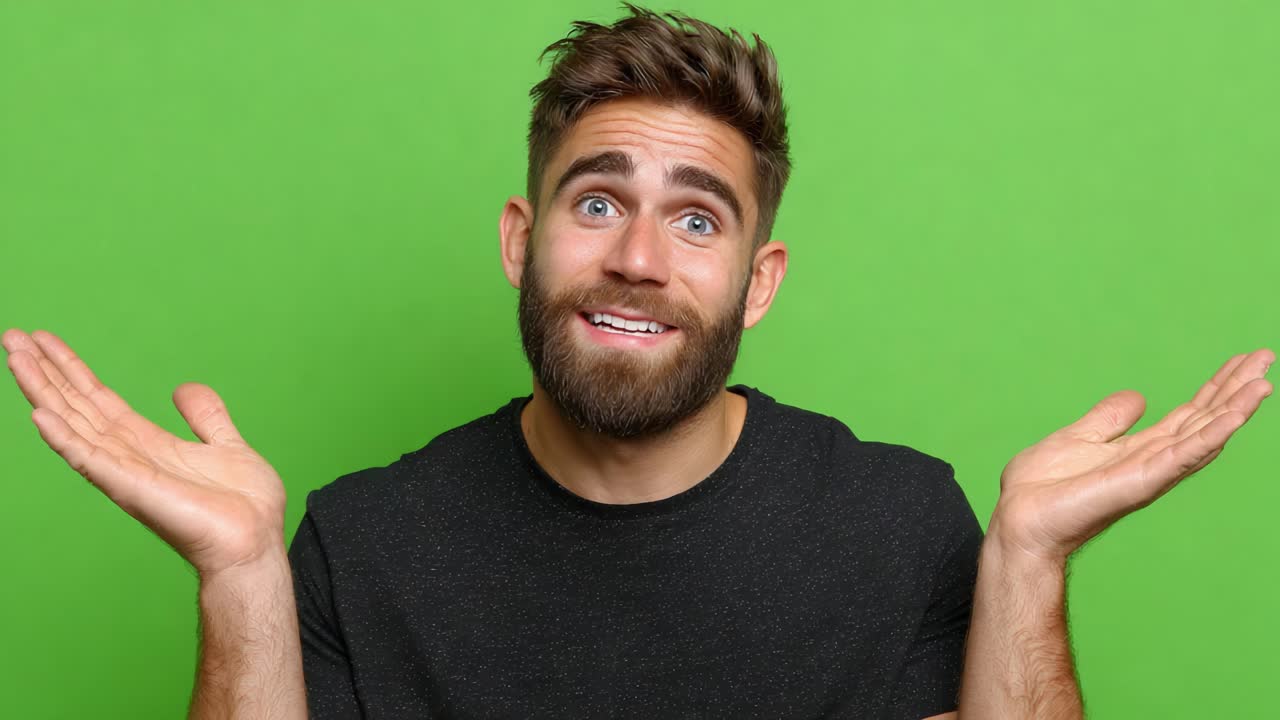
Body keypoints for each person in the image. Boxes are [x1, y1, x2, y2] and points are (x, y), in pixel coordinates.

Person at [2, 5, 1273, 719]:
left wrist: (1029, 563)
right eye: (599, 202)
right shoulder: (363, 544)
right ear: (523, 239)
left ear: (757, 282)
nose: (639, 259)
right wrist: (238, 580)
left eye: (698, 220)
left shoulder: (897, 524)